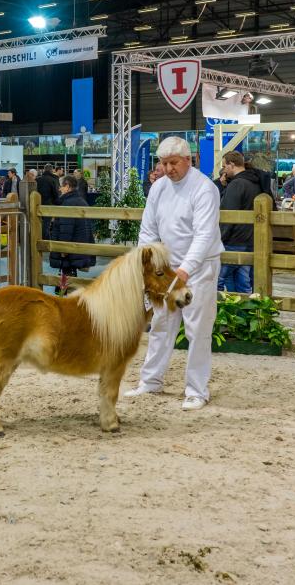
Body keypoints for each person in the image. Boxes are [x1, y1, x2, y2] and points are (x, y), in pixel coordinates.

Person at [124, 136, 223, 410]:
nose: (168, 169)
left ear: (188, 160)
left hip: (200, 269)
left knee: (197, 330)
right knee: (160, 325)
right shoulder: (158, 188)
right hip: (166, 269)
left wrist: (185, 270)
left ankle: (196, 390)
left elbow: (204, 235)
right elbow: (148, 229)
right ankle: (150, 381)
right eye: (163, 163)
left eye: (173, 163)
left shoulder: (204, 189)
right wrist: (147, 262)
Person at [217, 151, 260, 294]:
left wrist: (220, 238)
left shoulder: (237, 184)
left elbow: (228, 213)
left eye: (225, 166)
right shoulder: (255, 182)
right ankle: (244, 306)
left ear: (231, 164)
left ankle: (217, 306)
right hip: (250, 238)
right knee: (242, 282)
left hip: (233, 240)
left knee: (217, 279)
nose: (224, 170)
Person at [48, 175, 95, 293]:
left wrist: (63, 249)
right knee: (70, 276)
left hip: (70, 249)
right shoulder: (81, 201)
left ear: (67, 186)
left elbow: (66, 229)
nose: (59, 189)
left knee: (66, 278)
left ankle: (66, 298)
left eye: (61, 186)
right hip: (79, 246)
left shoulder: (67, 203)